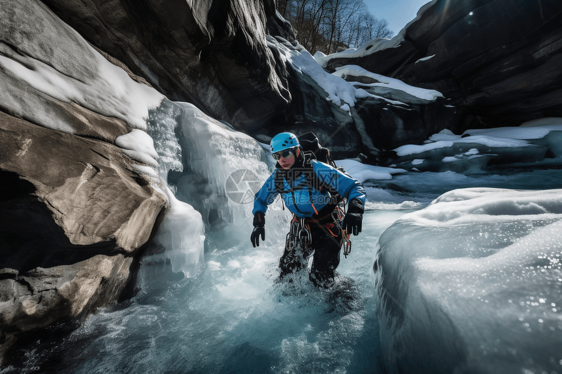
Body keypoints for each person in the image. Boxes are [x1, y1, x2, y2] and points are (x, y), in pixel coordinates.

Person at [250, 132, 365, 288]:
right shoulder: (278, 177)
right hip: (300, 228)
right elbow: (261, 199)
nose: (282, 159)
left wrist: (355, 210)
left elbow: (353, 186)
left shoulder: (316, 169)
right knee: (287, 276)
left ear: (297, 151)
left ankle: (339, 296)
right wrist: (258, 222)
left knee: (321, 278)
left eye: (286, 153)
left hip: (327, 228)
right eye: (277, 156)